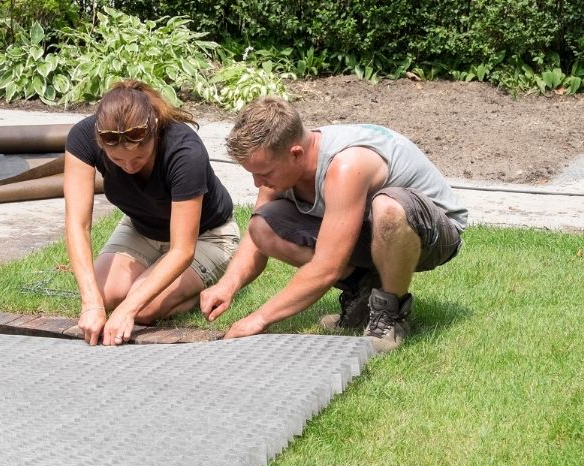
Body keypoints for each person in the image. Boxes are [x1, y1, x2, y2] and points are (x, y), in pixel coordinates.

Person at [200, 97, 468, 354]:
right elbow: (254, 241)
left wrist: (259, 318)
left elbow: (327, 268)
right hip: (375, 232)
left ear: (296, 154)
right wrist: (227, 285)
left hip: (432, 234)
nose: (257, 183)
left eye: (264, 173)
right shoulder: (283, 158)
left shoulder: (346, 165)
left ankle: (389, 313)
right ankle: (362, 293)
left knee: (388, 209)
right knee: (263, 226)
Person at [64, 80, 239, 346]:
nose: (128, 166)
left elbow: (182, 250)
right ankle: (147, 282)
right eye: (117, 160)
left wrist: (128, 309)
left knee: (144, 309)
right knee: (102, 295)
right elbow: (77, 224)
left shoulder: (184, 151)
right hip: (141, 228)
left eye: (138, 157)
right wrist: (91, 303)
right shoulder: (82, 137)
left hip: (206, 236)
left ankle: (207, 291)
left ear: (154, 129)